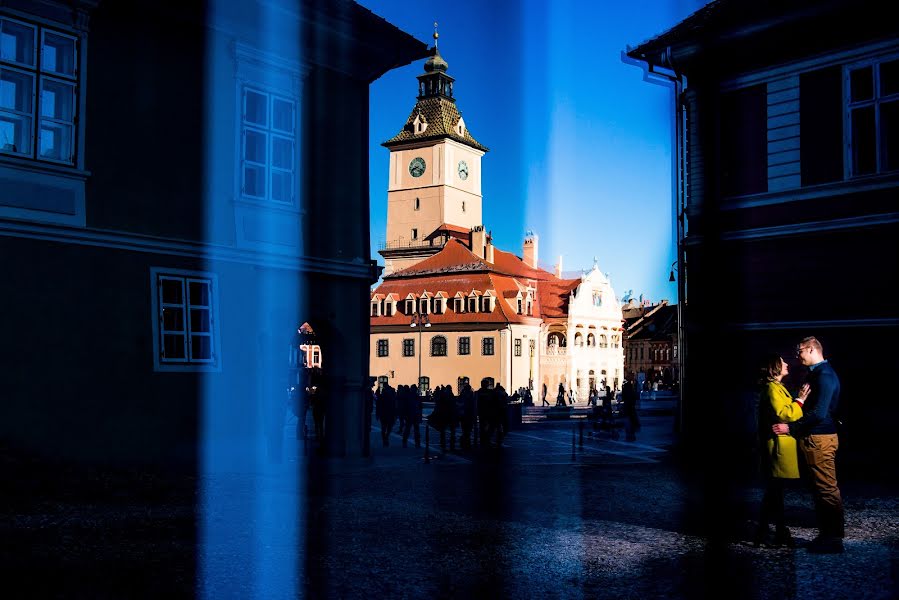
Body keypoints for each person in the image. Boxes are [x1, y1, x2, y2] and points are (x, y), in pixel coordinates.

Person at [772, 336, 844, 553]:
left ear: (812, 349)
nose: (797, 356)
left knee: (826, 489)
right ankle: (828, 535)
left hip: (819, 439)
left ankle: (832, 539)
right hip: (818, 438)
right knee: (821, 488)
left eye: (800, 351)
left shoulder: (824, 375)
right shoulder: (820, 374)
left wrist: (791, 428)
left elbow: (820, 413)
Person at [754, 353, 808, 548]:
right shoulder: (772, 388)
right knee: (774, 492)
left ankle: (773, 531)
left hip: (779, 446)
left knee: (774, 492)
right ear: (774, 367)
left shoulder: (775, 388)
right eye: (782, 362)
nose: (786, 364)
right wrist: (800, 400)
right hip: (777, 447)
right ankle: (774, 531)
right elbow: (783, 414)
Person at [376, 382, 397, 447]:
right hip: (388, 413)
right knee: (388, 428)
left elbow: (378, 405)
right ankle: (386, 438)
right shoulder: (390, 394)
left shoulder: (383, 395)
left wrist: (378, 414)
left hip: (385, 413)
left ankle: (385, 438)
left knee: (384, 428)